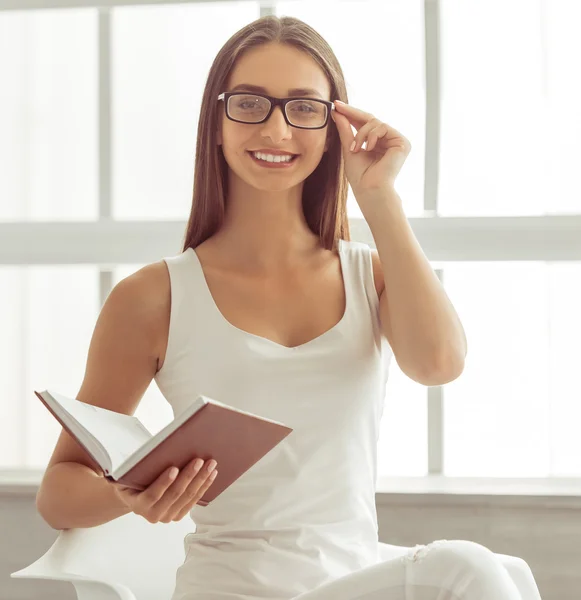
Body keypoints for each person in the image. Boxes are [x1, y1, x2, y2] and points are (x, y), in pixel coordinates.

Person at [36, 14, 543, 600]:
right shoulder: (154, 297)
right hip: (229, 590)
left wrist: (378, 198)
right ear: (217, 122)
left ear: (333, 128)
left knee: (489, 571)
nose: (276, 131)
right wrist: (126, 495)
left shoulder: (369, 276)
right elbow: (58, 494)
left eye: (304, 108)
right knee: (470, 569)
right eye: (250, 104)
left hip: (353, 582)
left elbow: (439, 364)